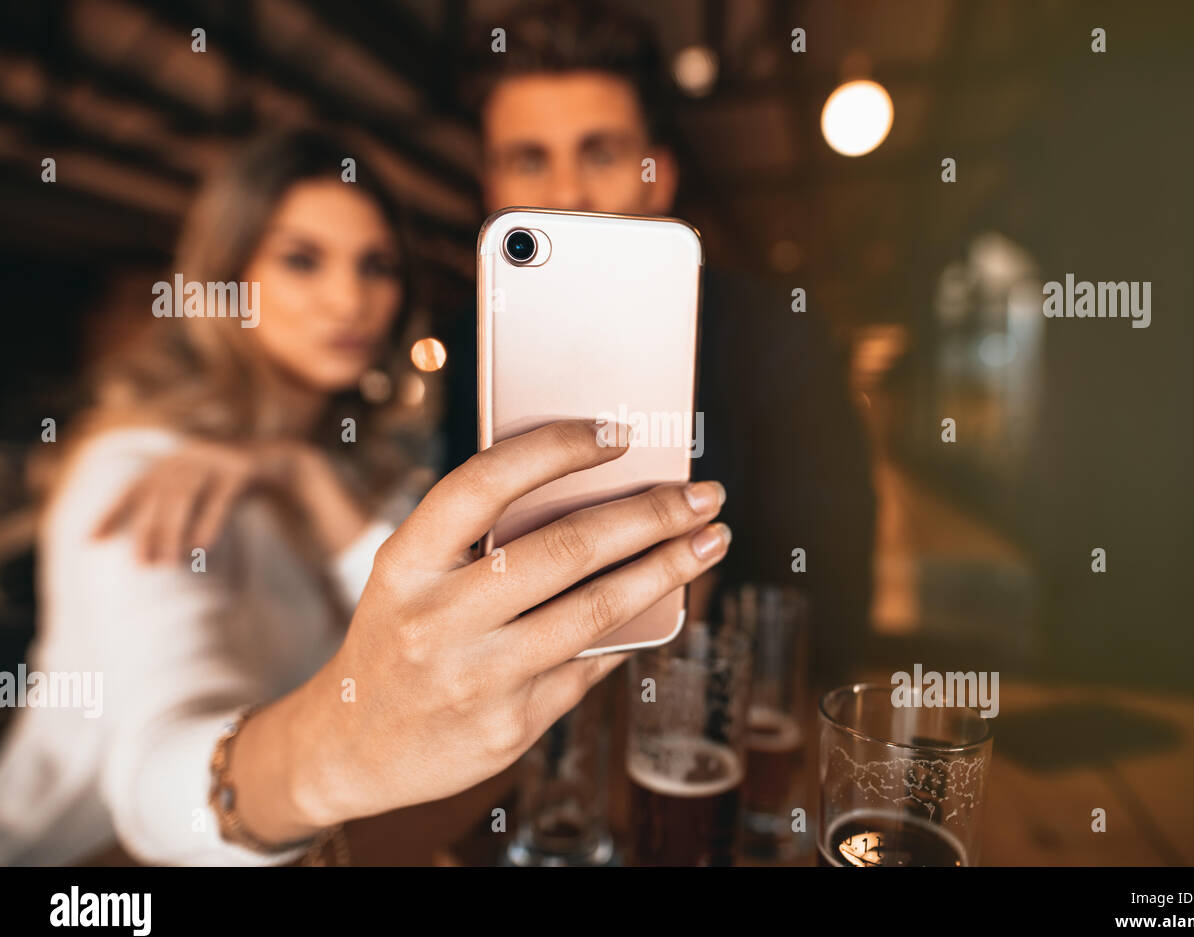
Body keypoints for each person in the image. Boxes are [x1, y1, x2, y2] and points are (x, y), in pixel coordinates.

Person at [0, 128, 730, 865]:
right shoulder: (133, 472)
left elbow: (400, 623)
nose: (348, 298)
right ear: (226, 277)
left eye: (375, 265)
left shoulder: (344, 468)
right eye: (300, 259)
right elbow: (152, 780)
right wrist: (339, 753)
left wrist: (304, 480)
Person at [444, 0, 876, 675]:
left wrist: (699, 612)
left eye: (603, 154)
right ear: (490, 189)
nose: (567, 193)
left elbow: (836, 578)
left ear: (660, 176)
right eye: (529, 162)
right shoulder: (470, 348)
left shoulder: (773, 333)